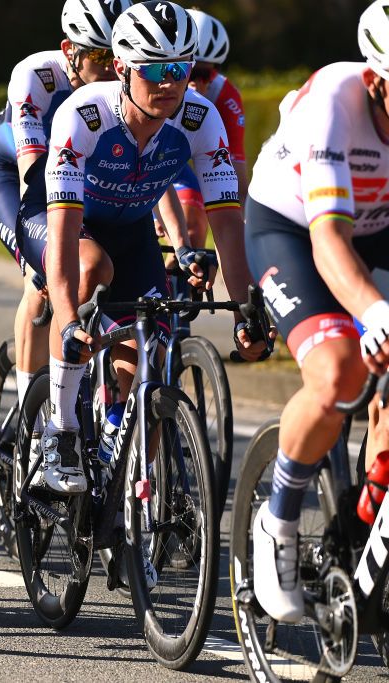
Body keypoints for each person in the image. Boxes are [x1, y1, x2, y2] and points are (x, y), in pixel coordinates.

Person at [20, 0, 267, 581]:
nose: (169, 83)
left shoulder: (199, 118)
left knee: (148, 365)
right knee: (88, 271)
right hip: (62, 221)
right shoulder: (84, 115)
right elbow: (61, 241)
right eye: (155, 70)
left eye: (180, 69)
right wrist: (67, 318)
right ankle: (59, 431)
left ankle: (124, 493)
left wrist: (246, 309)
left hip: (131, 229)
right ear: (124, 69)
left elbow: (228, 220)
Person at [246, 0, 389, 623]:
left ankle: (365, 518)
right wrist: (375, 312)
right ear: (380, 82)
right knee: (338, 374)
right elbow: (330, 241)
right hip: (293, 227)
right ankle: (276, 521)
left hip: (379, 232)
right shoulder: (335, 101)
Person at [0, 0, 130, 414]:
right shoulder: (36, 76)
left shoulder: (124, 87)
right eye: (98, 55)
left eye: (116, 54)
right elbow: (34, 178)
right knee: (43, 277)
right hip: (13, 174)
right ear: (70, 51)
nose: (109, 65)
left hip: (67, 178)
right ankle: (33, 412)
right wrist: (48, 254)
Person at [165, 9, 248, 251]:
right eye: (182, 68)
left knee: (192, 225)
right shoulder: (151, 86)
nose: (193, 81)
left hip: (175, 165)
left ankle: (181, 284)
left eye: (204, 73)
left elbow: (237, 184)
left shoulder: (225, 95)